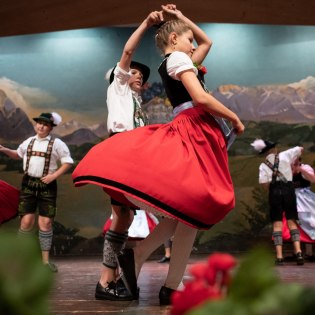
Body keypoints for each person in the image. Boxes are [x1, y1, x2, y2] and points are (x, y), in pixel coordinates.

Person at [73, 4, 244, 305]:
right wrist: (234, 117)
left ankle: (162, 278)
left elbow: (207, 42)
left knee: (191, 211)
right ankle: (149, 268)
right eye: (187, 38)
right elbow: (201, 97)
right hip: (194, 131)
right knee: (192, 205)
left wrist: (179, 17)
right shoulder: (178, 58)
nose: (194, 44)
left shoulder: (181, 57)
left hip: (198, 131)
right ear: (175, 39)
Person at [93, 10, 164, 301]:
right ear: (120, 75)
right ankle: (106, 278)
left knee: (122, 217)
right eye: (134, 72)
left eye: (142, 76)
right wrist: (147, 23)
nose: (139, 77)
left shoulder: (136, 102)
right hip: (120, 150)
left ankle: (112, 276)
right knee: (121, 214)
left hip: (133, 154)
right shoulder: (118, 87)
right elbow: (127, 51)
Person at [0, 112, 73, 272]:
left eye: (45, 124)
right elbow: (17, 155)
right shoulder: (29, 142)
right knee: (26, 222)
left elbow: (67, 162)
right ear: (36, 125)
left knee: (45, 223)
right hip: (28, 185)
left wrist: (53, 176)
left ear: (51, 128)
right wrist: (4, 149)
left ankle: (45, 262)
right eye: (39, 123)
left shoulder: (57, 144)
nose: (41, 126)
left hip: (47, 186)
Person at [251, 139, 304, 266]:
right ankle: (299, 253)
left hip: (274, 192)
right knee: (292, 222)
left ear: (264, 153)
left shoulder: (263, 166)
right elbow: (300, 148)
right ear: (274, 149)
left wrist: (272, 190)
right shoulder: (285, 155)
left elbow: (264, 183)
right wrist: (294, 161)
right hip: (289, 190)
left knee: (277, 225)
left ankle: (280, 257)